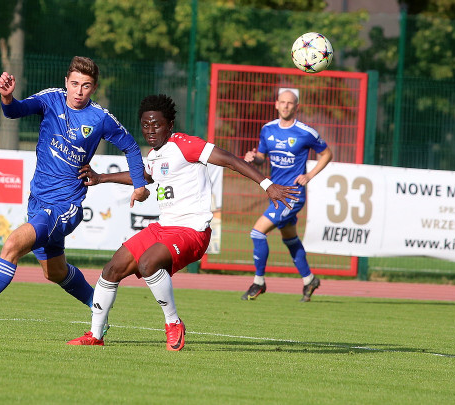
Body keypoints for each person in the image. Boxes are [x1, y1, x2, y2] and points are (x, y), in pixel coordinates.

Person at [67, 94, 299, 350]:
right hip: (164, 228)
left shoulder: (186, 145)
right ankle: (95, 335)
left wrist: (267, 185)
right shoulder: (155, 155)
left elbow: (230, 160)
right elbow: (144, 176)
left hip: (192, 230)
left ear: (170, 125)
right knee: (112, 268)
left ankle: (173, 322)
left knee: (148, 263)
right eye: (145, 125)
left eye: (157, 125)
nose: (150, 130)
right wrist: (101, 178)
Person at [0, 56, 149, 328]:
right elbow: (15, 111)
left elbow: (131, 147)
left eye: (86, 86)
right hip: (38, 202)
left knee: (12, 244)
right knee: (55, 272)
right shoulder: (51, 99)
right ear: (66, 82)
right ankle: (97, 305)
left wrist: (139, 185)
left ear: (94, 88)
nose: (79, 91)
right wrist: (7, 98)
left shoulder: (100, 118)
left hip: (65, 206)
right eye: (74, 84)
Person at [240, 88, 333, 302]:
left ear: (296, 107)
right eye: (282, 102)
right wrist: (253, 158)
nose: (285, 106)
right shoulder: (268, 129)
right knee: (290, 238)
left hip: (292, 195)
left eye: (290, 103)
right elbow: (262, 157)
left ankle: (259, 282)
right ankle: (309, 279)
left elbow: (327, 153)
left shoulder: (306, 132)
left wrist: (309, 175)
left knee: (257, 232)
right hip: (275, 193)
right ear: (276, 104)